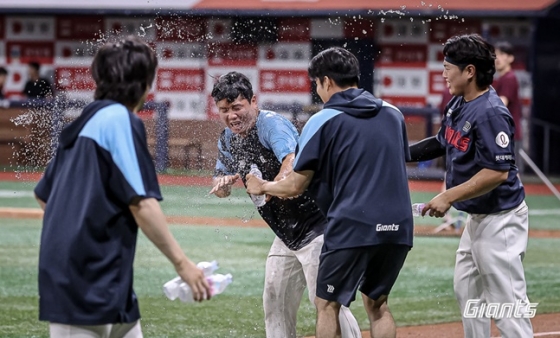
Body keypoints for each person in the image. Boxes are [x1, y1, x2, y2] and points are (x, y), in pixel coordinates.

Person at [34, 36, 211, 338]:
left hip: (103, 278)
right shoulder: (120, 120)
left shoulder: (82, 123)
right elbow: (140, 203)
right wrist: (183, 264)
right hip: (84, 283)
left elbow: (44, 197)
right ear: (144, 83)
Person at [246, 47, 413, 338]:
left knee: (327, 304)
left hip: (353, 225)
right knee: (378, 304)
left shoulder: (322, 120)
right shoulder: (393, 113)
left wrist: (264, 186)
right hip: (399, 226)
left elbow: (296, 185)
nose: (317, 90)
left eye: (316, 84)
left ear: (326, 81)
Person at [208, 71, 360, 338]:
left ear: (253, 101)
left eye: (236, 107)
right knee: (275, 303)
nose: (231, 115)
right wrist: (222, 186)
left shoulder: (271, 125)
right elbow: (221, 183)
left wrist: (271, 186)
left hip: (318, 229)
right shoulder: (228, 140)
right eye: (223, 110)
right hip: (287, 236)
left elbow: (291, 161)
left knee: (329, 305)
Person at [408, 34, 533, 337]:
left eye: (448, 66)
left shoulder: (490, 111)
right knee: (467, 293)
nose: (443, 73)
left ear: (469, 71)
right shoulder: (459, 102)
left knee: (507, 308)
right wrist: (397, 153)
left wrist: (448, 196)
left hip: (500, 220)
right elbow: (441, 142)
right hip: (478, 219)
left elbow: (497, 172)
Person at [494, 41, 524, 174]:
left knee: (509, 174)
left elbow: (501, 104)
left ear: (510, 58)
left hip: (509, 134)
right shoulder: (500, 79)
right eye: (496, 55)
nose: (497, 58)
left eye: (501, 54)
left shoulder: (509, 78)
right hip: (503, 134)